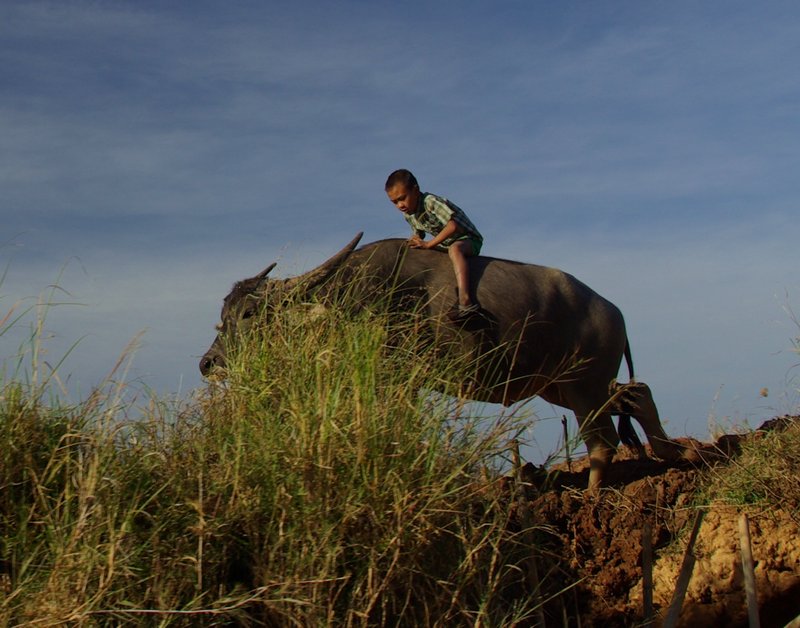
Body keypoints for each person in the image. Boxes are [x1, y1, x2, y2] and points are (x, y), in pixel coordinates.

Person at [385, 169, 484, 321]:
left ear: (416, 190)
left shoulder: (430, 202)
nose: (400, 205)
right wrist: (415, 241)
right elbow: (418, 234)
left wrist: (429, 244)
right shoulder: (409, 214)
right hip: (445, 243)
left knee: (455, 249)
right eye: (395, 202)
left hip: (467, 239)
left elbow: (453, 226)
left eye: (402, 198)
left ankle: (465, 299)